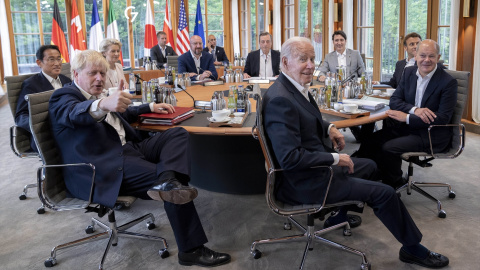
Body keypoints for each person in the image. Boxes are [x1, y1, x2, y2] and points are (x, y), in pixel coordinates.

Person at [262, 37, 449, 269]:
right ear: (285, 62)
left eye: (312, 58)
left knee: (370, 165)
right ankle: (412, 249)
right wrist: (335, 158)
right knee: (386, 193)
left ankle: (339, 216)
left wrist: (330, 128)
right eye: (303, 59)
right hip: (306, 181)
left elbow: (309, 116)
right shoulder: (281, 99)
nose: (310, 65)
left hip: (314, 170)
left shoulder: (293, 87)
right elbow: (290, 159)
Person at [48, 50, 230, 267]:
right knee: (173, 189)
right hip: (102, 167)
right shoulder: (64, 97)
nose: (99, 78)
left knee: (177, 133)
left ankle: (168, 179)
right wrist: (103, 103)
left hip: (128, 149)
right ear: (76, 75)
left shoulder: (97, 94)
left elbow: (121, 115)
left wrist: (150, 107)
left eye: (102, 73)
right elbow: (73, 113)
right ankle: (190, 249)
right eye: (93, 73)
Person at [356, 39, 457, 189]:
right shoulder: (409, 72)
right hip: (407, 128)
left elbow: (442, 118)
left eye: (431, 56)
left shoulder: (448, 82)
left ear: (438, 56)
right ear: (415, 55)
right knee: (370, 140)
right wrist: (414, 110)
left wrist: (408, 117)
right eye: (422, 55)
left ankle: (394, 184)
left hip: (430, 134)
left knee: (389, 147)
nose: (426, 60)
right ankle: (370, 178)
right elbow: (395, 100)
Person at [15, 44, 71, 152]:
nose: (57, 63)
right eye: (51, 59)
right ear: (39, 63)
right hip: (46, 136)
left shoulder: (66, 80)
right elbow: (21, 116)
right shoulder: (31, 84)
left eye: (59, 59)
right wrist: (41, 127)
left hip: (68, 127)